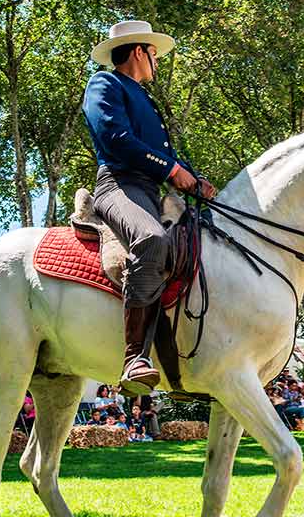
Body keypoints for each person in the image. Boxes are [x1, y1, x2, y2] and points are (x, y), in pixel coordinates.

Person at [83, 20, 217, 395]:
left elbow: (165, 156)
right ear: (140, 51)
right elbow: (116, 138)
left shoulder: (146, 98)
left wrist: (194, 178)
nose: (157, 63)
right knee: (151, 240)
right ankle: (134, 358)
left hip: (149, 189)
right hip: (118, 186)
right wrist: (171, 170)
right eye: (155, 55)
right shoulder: (105, 83)